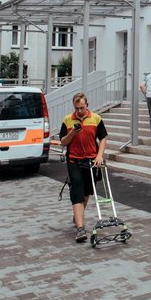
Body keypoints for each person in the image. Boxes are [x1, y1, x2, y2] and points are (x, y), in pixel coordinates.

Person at [60, 92, 107, 244]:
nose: (79, 111)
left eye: (82, 108)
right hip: (74, 160)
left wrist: (99, 155)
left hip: (91, 161)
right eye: (77, 108)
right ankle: (80, 228)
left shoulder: (96, 118)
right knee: (77, 191)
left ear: (87, 105)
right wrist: (72, 132)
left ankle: (77, 216)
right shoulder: (68, 120)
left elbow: (103, 137)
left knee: (87, 192)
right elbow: (63, 142)